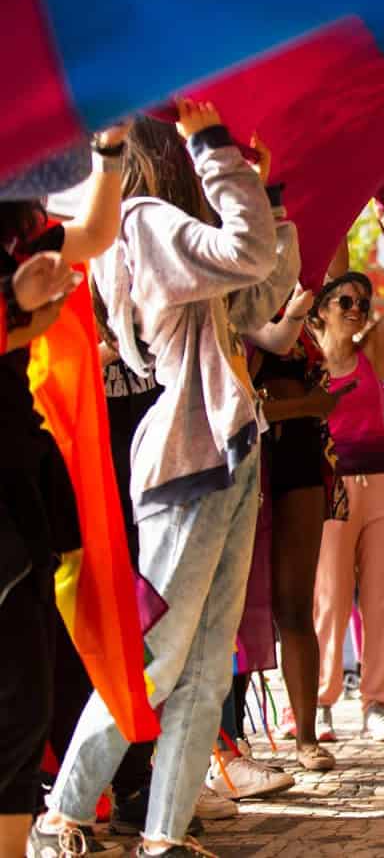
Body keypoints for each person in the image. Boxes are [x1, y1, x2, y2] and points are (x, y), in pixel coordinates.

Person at [43, 103, 297, 857]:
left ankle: (162, 832)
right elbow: (251, 255)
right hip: (189, 459)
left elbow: (259, 292)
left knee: (201, 661)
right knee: (161, 655)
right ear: (174, 157)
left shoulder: (158, 233)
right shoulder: (144, 223)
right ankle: (64, 812)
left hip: (220, 451)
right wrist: (215, 147)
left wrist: (268, 195)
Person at [3, 132, 127, 858]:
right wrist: (14, 307)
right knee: (17, 699)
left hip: (21, 482)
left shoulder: (21, 235)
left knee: (27, 699)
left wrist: (109, 156)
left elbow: (96, 233)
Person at [307, 196, 384, 743]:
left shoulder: (371, 351)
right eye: (345, 301)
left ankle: (378, 702)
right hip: (328, 491)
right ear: (321, 308)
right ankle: (320, 703)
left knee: (383, 599)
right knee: (327, 602)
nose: (357, 308)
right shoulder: (300, 355)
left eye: (362, 301)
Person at [246, 283, 345, 770]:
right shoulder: (237, 311)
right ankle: (231, 743)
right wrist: (305, 406)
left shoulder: (301, 318)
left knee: (294, 603)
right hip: (253, 460)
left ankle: (306, 737)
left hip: (303, 461)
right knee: (240, 607)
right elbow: (241, 403)